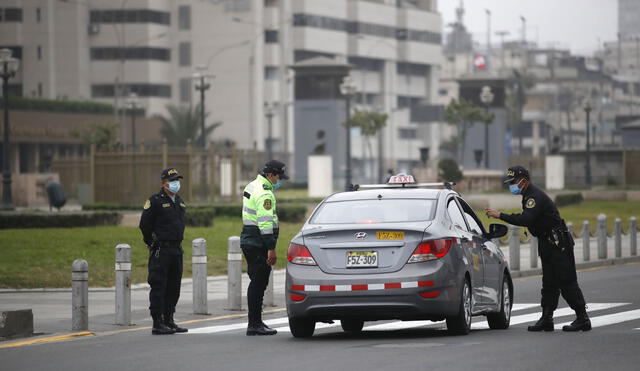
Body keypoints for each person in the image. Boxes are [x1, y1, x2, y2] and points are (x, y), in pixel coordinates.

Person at [485, 166, 591, 332]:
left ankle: (583, 318)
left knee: (566, 280)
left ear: (524, 181)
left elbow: (526, 219)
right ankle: (547, 318)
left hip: (558, 244)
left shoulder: (534, 197)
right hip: (548, 243)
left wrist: (500, 215)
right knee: (549, 282)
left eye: (513, 182)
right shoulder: (528, 195)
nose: (511, 185)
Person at [241, 160, 289, 336]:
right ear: (271, 175)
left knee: (257, 281)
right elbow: (265, 222)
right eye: (278, 177)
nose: (279, 180)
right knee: (259, 283)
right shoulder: (265, 193)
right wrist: (271, 248)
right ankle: (254, 323)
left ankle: (256, 322)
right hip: (258, 242)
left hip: (249, 240)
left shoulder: (253, 185)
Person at [139, 168, 189, 335]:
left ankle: (169, 320)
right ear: (163, 183)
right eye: (172, 180)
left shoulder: (179, 201)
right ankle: (157, 322)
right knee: (159, 285)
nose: (176, 183)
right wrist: (151, 242)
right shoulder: (155, 201)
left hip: (176, 249)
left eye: (177, 180)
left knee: (174, 287)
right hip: (161, 249)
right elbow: (144, 225)